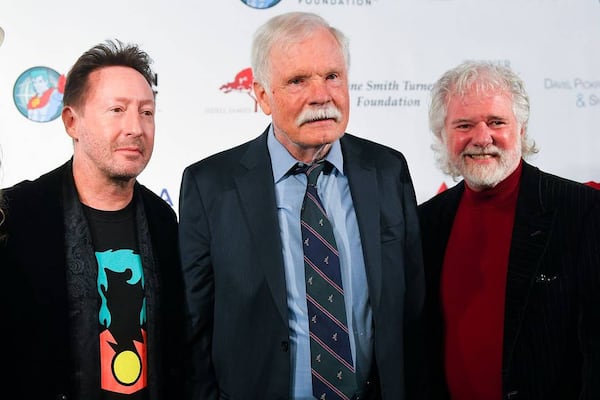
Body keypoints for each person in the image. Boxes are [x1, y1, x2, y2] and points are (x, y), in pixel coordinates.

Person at [178, 11, 426, 400]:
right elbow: (194, 329)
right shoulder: (211, 185)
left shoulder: (387, 170)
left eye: (332, 76)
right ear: (262, 95)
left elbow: (412, 310)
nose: (321, 96)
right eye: (297, 80)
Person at [0, 40, 185, 400]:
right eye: (117, 109)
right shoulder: (18, 216)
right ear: (72, 121)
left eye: (146, 112)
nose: (135, 127)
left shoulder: (164, 221)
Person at [418, 60, 600, 400]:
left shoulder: (581, 211)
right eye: (464, 125)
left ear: (521, 129)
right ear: (443, 135)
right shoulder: (425, 222)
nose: (481, 137)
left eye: (496, 122)